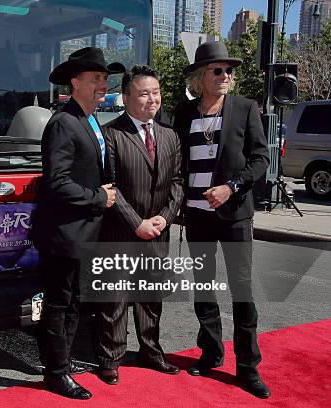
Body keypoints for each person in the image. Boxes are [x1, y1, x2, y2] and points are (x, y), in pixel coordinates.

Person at [173, 41, 271, 399]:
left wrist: (231, 187)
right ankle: (211, 352)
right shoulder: (184, 113)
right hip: (197, 218)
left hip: (233, 216)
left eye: (229, 70)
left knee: (242, 292)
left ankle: (248, 368)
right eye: (218, 70)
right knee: (203, 287)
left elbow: (261, 160)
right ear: (201, 76)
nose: (226, 75)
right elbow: (175, 160)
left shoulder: (245, 108)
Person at [31, 47, 124, 400]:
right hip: (64, 233)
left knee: (73, 304)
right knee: (60, 304)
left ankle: (62, 363)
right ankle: (56, 373)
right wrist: (99, 198)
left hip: (83, 232)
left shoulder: (89, 119)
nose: (103, 84)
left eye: (105, 78)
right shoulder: (63, 122)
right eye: (96, 78)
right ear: (75, 82)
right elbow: (57, 182)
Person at [94, 65, 184, 385]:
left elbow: (177, 183)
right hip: (121, 231)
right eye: (144, 93)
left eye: (156, 92)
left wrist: (165, 217)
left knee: (150, 296)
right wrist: (137, 223)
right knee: (115, 299)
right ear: (126, 97)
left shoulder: (170, 135)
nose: (152, 99)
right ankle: (110, 357)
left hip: (157, 232)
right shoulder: (112, 135)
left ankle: (151, 351)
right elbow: (109, 187)